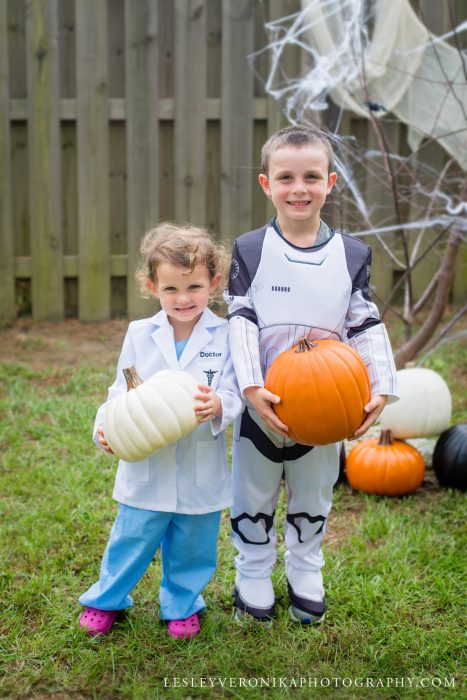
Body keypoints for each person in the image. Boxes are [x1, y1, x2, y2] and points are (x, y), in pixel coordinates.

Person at [224, 125, 398, 624]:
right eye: (285, 177)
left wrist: (381, 386)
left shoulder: (352, 254)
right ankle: (253, 572)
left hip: (325, 404)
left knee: (313, 494)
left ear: (331, 182)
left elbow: (365, 322)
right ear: (266, 184)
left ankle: (306, 569)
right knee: (252, 493)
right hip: (264, 403)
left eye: (311, 177)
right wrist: (252, 387)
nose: (298, 188)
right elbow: (240, 318)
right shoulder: (251, 249)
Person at [79, 222, 243, 638]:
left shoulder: (224, 335)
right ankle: (107, 599)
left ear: (214, 283)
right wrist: (107, 426)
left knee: (194, 545)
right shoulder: (140, 334)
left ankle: (182, 604)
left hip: (198, 463)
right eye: (171, 289)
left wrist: (221, 404)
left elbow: (235, 389)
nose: (183, 299)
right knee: (131, 539)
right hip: (147, 466)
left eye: (194, 287)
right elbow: (121, 389)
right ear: (152, 287)